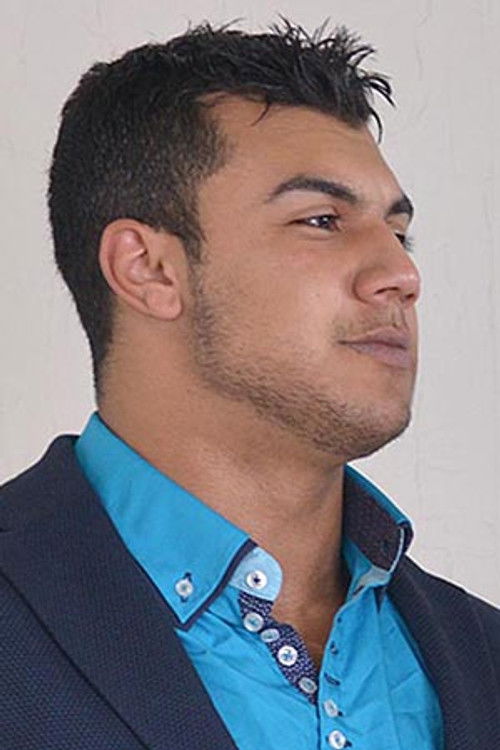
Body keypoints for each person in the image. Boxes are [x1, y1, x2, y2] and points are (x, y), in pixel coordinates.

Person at [0, 17, 498, 750]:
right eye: (322, 220)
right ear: (149, 269)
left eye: (399, 233)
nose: (401, 273)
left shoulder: (482, 659)